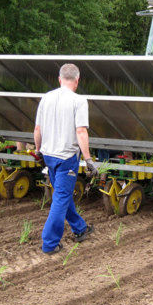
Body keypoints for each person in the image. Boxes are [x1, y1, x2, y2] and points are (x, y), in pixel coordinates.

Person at [34, 63, 98, 254]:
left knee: (63, 194)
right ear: (77, 81)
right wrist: (88, 159)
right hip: (66, 158)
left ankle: (80, 228)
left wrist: (38, 151)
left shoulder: (46, 98)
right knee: (61, 198)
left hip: (49, 156)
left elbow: (37, 129)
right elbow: (81, 131)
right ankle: (50, 243)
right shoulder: (79, 101)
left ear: (59, 79)